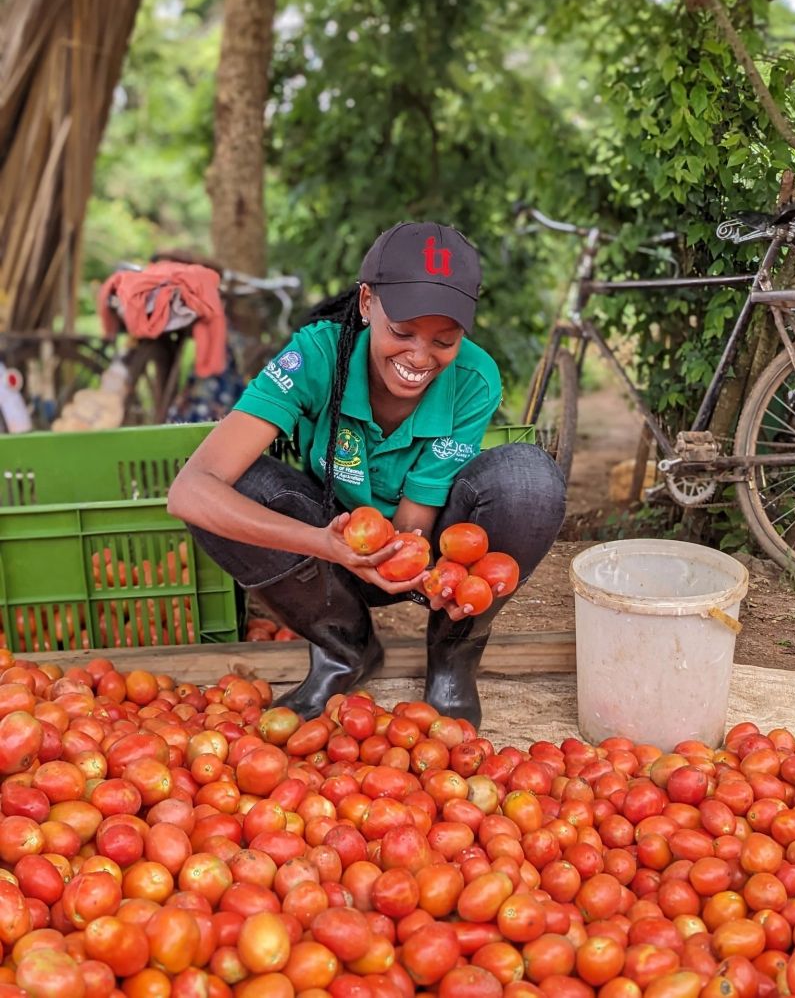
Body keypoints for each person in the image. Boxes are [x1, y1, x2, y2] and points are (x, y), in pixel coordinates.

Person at [167, 221, 566, 727]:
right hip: (328, 552)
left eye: (444, 340)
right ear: (366, 303)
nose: (420, 358)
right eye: (401, 333)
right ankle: (344, 648)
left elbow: (418, 513)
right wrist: (322, 542)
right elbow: (189, 491)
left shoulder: (473, 377)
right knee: (234, 490)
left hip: (417, 545)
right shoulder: (314, 355)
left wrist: (433, 576)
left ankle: (452, 656)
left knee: (529, 480)